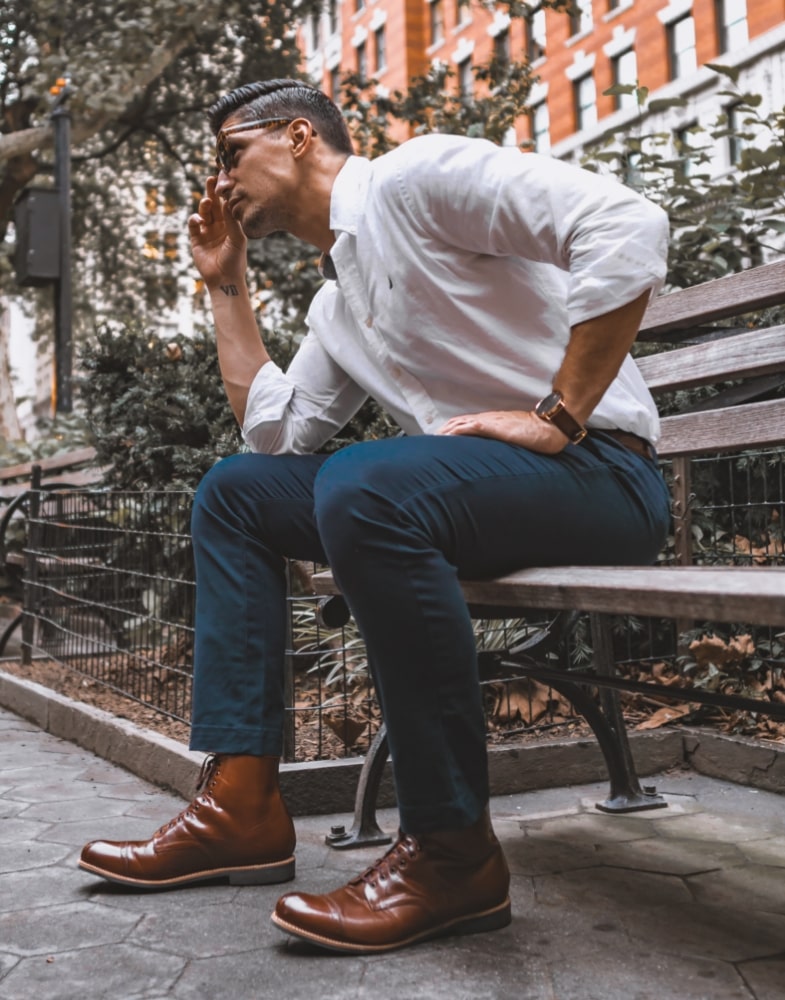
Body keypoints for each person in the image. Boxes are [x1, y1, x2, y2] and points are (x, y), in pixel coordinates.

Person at [79, 78, 671, 954]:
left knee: (363, 483)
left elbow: (627, 222)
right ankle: (240, 805)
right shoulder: (338, 298)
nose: (219, 179)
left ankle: (449, 852)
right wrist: (226, 285)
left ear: (296, 136)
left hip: (600, 481)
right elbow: (275, 436)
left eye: (229, 153)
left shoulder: (417, 177)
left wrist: (558, 412)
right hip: (476, 498)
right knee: (236, 493)